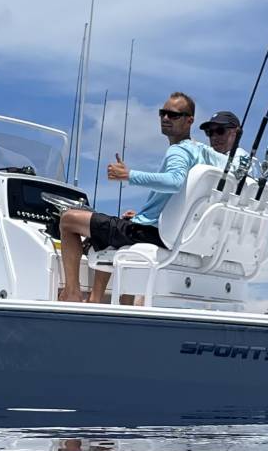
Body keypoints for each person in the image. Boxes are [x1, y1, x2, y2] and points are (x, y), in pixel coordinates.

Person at [55, 93, 202, 303]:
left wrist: (128, 175)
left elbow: (174, 181)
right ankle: (101, 300)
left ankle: (72, 293)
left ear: (189, 121)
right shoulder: (199, 151)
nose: (166, 118)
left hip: (147, 232)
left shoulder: (178, 152)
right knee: (112, 226)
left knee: (68, 219)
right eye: (163, 113)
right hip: (161, 231)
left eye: (174, 115)